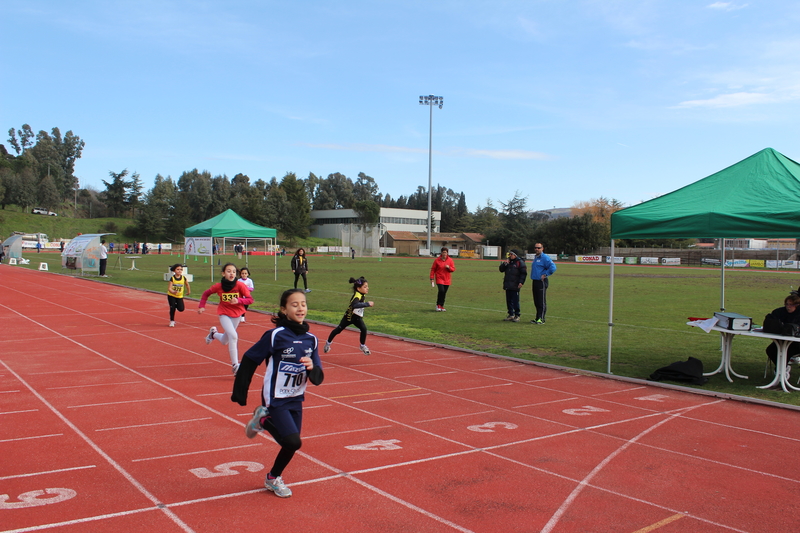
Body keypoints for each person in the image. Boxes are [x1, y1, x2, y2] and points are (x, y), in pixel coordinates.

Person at [232, 288, 324, 498]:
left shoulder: (312, 339)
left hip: (296, 398)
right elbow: (250, 358)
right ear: (284, 310)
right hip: (275, 398)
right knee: (293, 442)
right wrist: (240, 392)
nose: (300, 307)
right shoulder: (275, 336)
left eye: (303, 303)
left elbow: (318, 379)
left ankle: (273, 477)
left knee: (290, 444)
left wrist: (312, 368)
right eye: (294, 304)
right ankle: (264, 420)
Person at [198, 263, 253, 374]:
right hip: (224, 313)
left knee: (225, 340)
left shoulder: (240, 285)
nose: (231, 273)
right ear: (223, 273)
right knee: (233, 336)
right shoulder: (218, 286)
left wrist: (239, 300)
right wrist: (201, 306)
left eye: (233, 271)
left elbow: (250, 300)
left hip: (237, 314)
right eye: (228, 271)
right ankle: (235, 365)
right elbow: (205, 294)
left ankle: (213, 334)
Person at [324, 276, 374, 355]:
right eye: (365, 287)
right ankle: (328, 343)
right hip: (349, 317)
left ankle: (362, 346)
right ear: (358, 288)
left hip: (357, 318)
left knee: (364, 329)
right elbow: (354, 304)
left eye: (367, 286)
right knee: (338, 330)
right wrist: (367, 304)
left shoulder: (361, 294)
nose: (367, 288)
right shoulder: (357, 296)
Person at [764, 293, 800, 380]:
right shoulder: (780, 311)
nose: (788, 307)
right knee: (771, 350)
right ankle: (783, 368)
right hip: (782, 341)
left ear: (797, 305)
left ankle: (781, 371)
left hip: (797, 343)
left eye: (791, 305)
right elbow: (771, 319)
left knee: (787, 351)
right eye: (787, 304)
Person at [529, 243, 556, 324]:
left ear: (542, 248)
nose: (537, 249)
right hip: (535, 281)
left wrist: (546, 274)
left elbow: (553, 267)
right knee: (536, 301)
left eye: (538, 248)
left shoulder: (545, 258)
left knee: (541, 301)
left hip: (541, 282)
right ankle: (537, 317)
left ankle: (541, 318)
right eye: (535, 248)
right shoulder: (536, 257)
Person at [499, 249, 526, 322]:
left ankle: (517, 315)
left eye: (511, 254)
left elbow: (523, 273)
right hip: (508, 284)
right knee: (509, 300)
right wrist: (504, 264)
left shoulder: (520, 262)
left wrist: (521, 282)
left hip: (515, 284)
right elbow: (501, 270)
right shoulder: (508, 262)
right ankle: (511, 314)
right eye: (509, 254)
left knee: (515, 300)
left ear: (515, 255)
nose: (510, 256)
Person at [430, 247, 455, 312]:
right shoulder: (437, 260)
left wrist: (449, 267)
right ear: (441, 253)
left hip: (447, 279)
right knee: (441, 291)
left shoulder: (450, 260)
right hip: (439, 278)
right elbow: (433, 269)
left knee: (444, 293)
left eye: (445, 252)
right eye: (443, 252)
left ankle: (442, 305)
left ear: (447, 253)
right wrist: (431, 278)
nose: (444, 254)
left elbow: (453, 269)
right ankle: (438, 305)